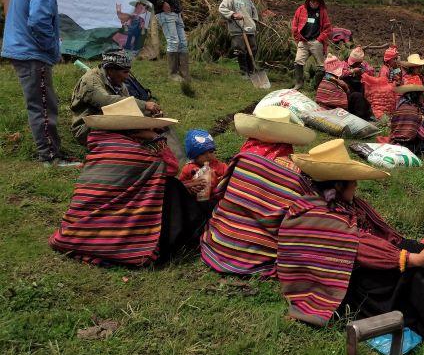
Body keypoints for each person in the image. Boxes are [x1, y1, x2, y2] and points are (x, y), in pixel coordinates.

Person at [278, 139, 424, 350]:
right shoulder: (322, 216)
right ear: (338, 185)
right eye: (352, 181)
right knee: (420, 275)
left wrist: (412, 249)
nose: (356, 185)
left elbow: (379, 238)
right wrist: (412, 259)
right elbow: (360, 246)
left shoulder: (334, 205)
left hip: (351, 271)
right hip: (342, 287)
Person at [49, 97, 210, 266]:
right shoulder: (134, 153)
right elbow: (171, 169)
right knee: (172, 187)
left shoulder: (102, 147)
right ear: (135, 130)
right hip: (112, 232)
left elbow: (135, 185)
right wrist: (156, 138)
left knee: (170, 185)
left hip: (78, 227)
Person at [200, 106, 316, 276]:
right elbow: (302, 210)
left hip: (220, 243)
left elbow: (220, 193)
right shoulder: (292, 171)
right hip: (260, 253)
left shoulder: (243, 159)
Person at [2, 0, 84, 166]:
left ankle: (52, 152)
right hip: (33, 54)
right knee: (44, 105)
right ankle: (50, 157)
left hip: (24, 51)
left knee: (42, 103)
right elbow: (38, 22)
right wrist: (52, 50)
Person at [70, 49, 161, 145]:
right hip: (87, 128)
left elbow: (128, 108)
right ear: (111, 70)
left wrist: (150, 115)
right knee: (146, 136)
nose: (127, 77)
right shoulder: (91, 80)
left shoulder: (118, 82)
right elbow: (105, 101)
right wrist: (144, 105)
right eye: (125, 72)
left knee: (155, 126)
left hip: (110, 122)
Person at [139, 0, 188, 81]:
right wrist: (161, 3)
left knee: (183, 42)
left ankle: (184, 72)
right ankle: (173, 74)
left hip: (176, 13)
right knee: (173, 41)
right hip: (165, 13)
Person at [218, 0, 260, 76]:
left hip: (249, 27)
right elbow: (222, 8)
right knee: (241, 49)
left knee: (253, 48)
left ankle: (251, 70)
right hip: (237, 28)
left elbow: (253, 9)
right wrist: (233, 15)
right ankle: (244, 72)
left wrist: (254, 20)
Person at [291, 0, 331, 90]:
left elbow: (328, 28)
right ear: (309, 1)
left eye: (317, 1)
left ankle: (316, 86)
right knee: (298, 62)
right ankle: (299, 83)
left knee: (321, 66)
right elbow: (294, 25)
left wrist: (320, 39)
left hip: (316, 41)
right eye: (313, 1)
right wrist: (297, 38)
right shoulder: (301, 10)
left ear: (319, 2)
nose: (315, 3)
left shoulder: (322, 12)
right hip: (303, 41)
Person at [179, 129, 228, 201]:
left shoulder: (220, 166)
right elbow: (180, 185)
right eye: (202, 154)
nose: (208, 156)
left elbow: (230, 176)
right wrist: (191, 186)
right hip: (196, 203)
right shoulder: (188, 168)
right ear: (194, 156)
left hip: (216, 200)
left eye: (211, 152)